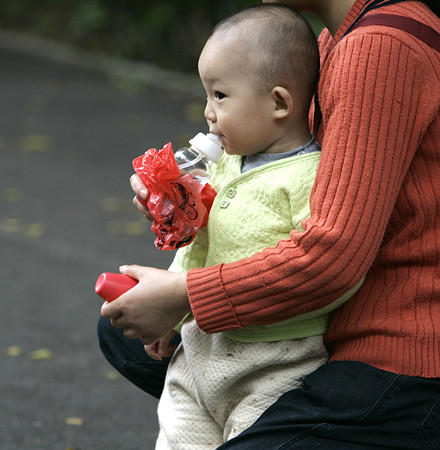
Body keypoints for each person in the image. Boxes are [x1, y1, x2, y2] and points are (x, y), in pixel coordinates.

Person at [99, 0, 440, 448]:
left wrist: (184, 296)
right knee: (124, 325)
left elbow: (329, 257)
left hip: (410, 368)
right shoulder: (334, 41)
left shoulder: (378, 49)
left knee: (168, 320)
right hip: (337, 328)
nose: (209, 110)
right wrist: (186, 206)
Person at [144, 5, 362, 448]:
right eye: (207, 96)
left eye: (220, 96)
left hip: (275, 362)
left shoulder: (311, 176)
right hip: (201, 349)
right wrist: (171, 304)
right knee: (178, 437)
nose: (208, 112)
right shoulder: (227, 165)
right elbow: (196, 246)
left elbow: (322, 264)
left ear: (279, 102)